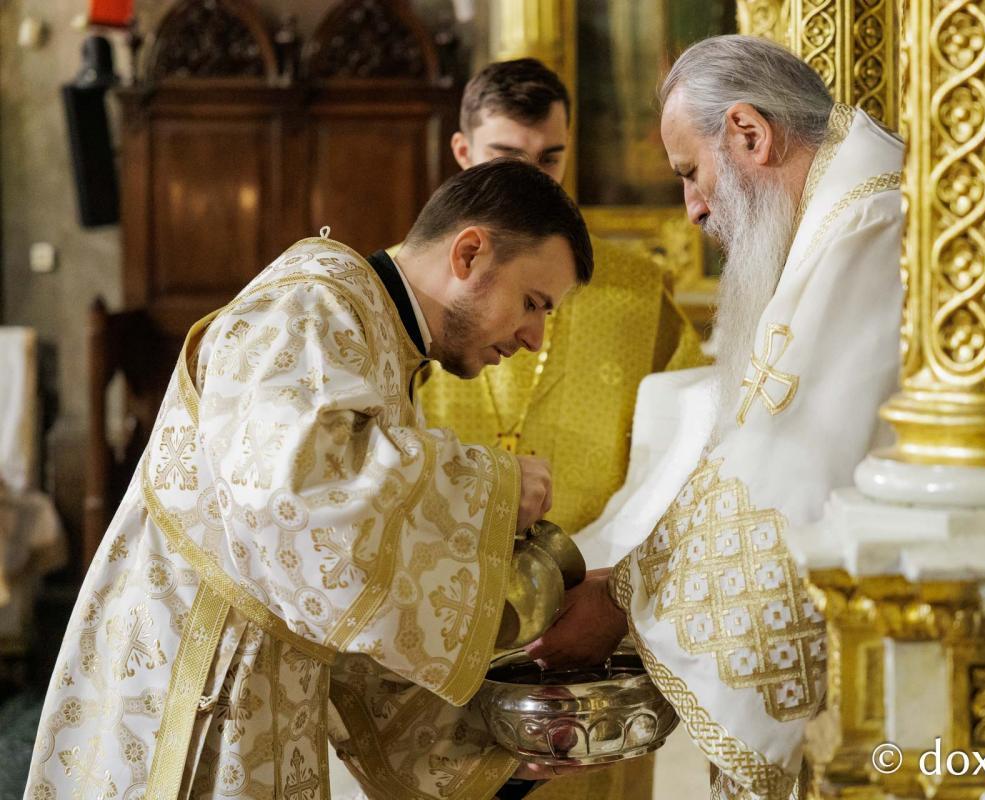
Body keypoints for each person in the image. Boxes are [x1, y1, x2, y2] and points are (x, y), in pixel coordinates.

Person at [24, 159, 593, 800]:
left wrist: (484, 760)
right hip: (192, 687)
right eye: (532, 303)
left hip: (257, 696)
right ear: (468, 253)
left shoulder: (379, 342)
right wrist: (492, 487)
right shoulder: (310, 305)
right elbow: (294, 501)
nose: (535, 337)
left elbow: (350, 605)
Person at [529, 35, 905, 800]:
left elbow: (788, 466)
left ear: (749, 134)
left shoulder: (868, 222)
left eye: (689, 174)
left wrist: (625, 597)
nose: (693, 208)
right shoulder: (833, 211)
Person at [417, 58, 706, 536]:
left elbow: (688, 437)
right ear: (463, 152)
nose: (533, 182)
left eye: (549, 159)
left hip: (591, 558)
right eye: (509, 158)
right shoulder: (409, 288)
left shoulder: (636, 287)